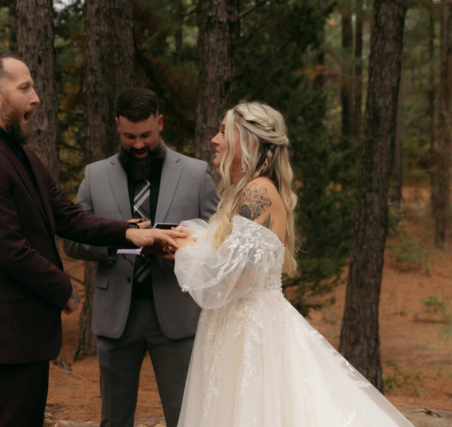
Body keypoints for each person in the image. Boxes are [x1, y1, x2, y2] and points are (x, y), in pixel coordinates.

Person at [0, 53, 184, 427]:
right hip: (5, 337)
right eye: (25, 87)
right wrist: (64, 289)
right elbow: (9, 250)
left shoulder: (20, 156)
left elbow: (67, 216)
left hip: (26, 337)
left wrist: (129, 232)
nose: (37, 97)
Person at [171, 102, 415, 426]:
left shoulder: (256, 192)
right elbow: (237, 258)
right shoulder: (247, 192)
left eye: (222, 131)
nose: (214, 140)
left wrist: (185, 249)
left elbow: (238, 278)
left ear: (248, 142)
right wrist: (194, 241)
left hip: (250, 332)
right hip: (234, 326)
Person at [63, 88, 218, 427]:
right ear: (117, 127)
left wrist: (185, 249)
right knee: (114, 420)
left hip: (178, 316)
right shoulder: (95, 175)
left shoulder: (195, 173)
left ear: (159, 124)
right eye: (129, 135)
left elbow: (218, 237)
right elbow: (73, 240)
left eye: (146, 134)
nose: (137, 144)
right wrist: (117, 240)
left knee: (187, 418)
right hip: (117, 317)